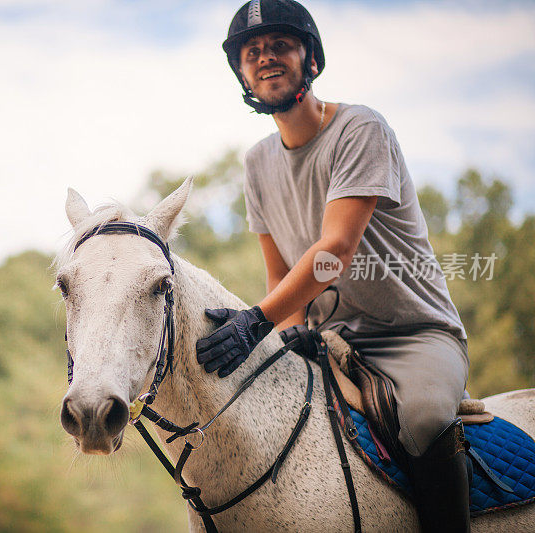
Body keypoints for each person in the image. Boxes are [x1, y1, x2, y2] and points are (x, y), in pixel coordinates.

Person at [194, 1, 470, 530]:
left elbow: (334, 251)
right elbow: (279, 275)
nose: (266, 58)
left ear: (311, 60)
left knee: (425, 418)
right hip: (334, 339)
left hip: (414, 334)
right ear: (242, 73)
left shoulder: (360, 129)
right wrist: (288, 330)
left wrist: (257, 322)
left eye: (280, 46)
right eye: (252, 52)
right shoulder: (256, 162)